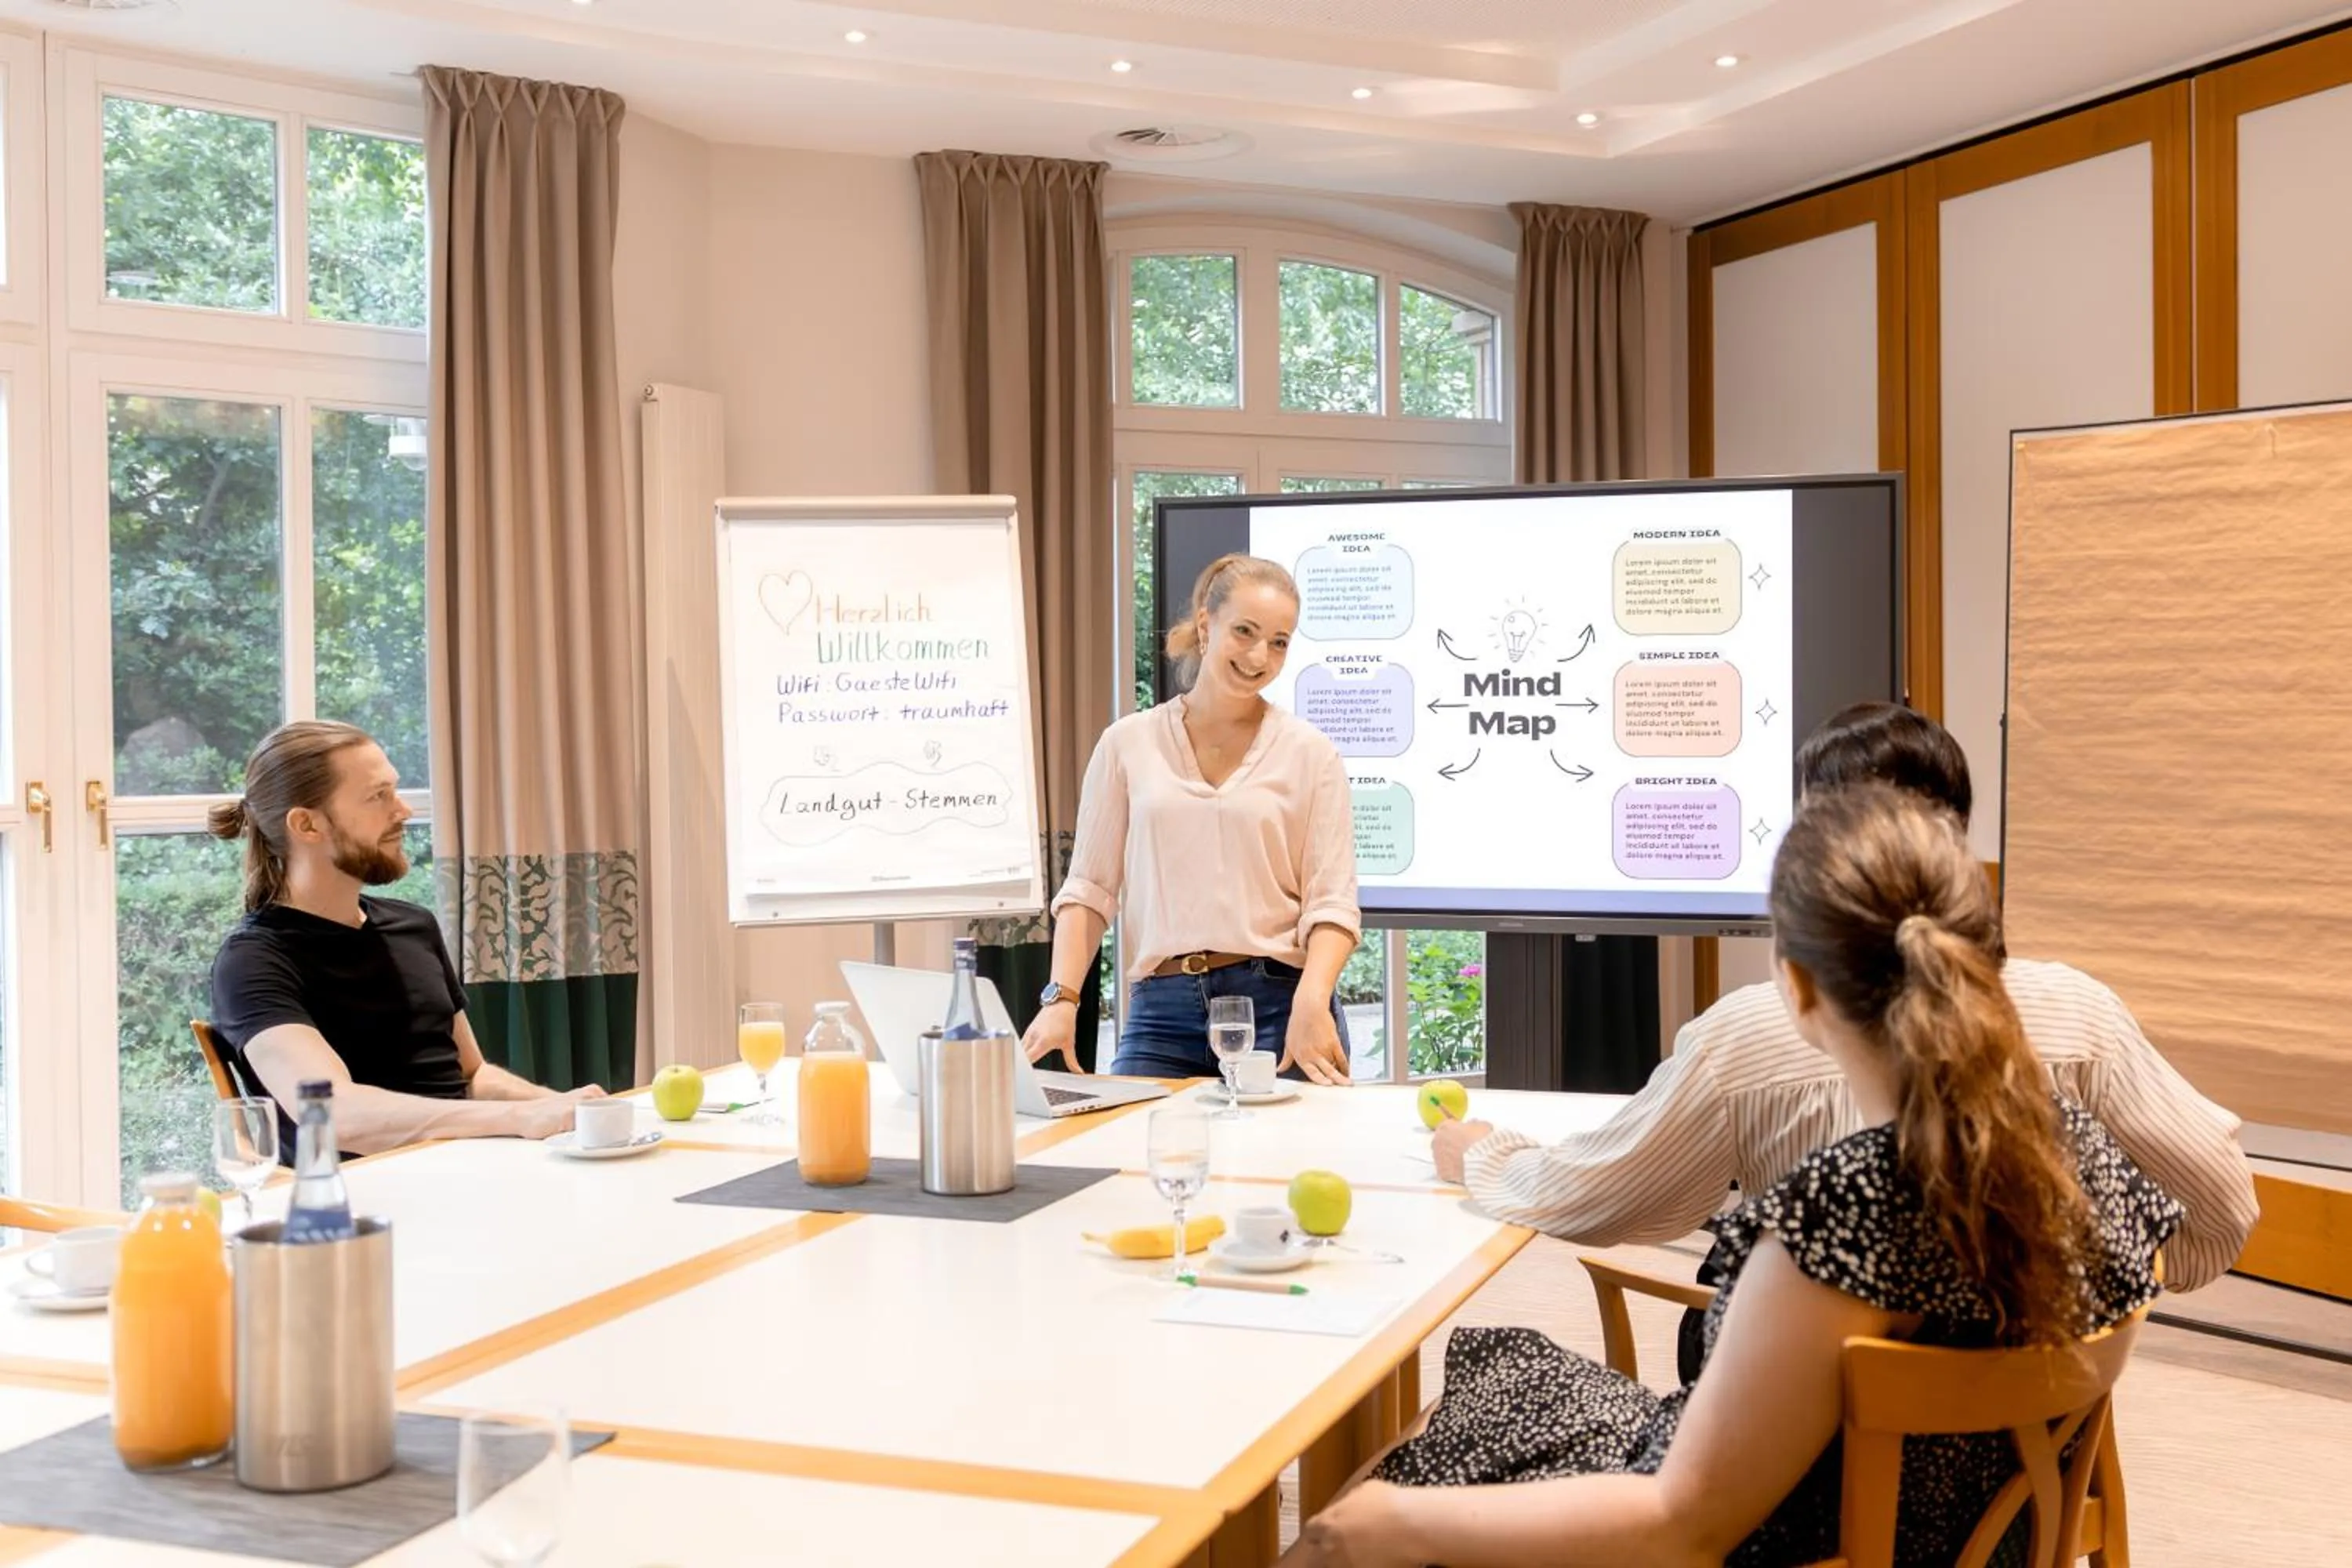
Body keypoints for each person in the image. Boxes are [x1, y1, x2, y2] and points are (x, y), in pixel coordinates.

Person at [1286, 784, 2182, 1568]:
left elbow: (1681, 1525)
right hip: (1975, 1539)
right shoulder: (2081, 1155)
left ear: (1795, 985)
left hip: (1797, 1540)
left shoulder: (1848, 1210)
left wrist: (1389, 1521)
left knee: (1379, 1502)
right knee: (1506, 1372)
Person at [1432, 702, 2256, 1312]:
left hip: (1800, 1455)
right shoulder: (2084, 1015)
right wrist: (2086, 1294)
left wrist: (1484, 1155)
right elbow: (2221, 1207)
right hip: (2022, 1465)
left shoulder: (1749, 1043)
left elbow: (1601, 1194)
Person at [1022, 554, 1361, 1085]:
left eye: (1279, 641)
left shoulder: (1311, 753)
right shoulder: (1127, 744)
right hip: (1162, 1008)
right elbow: (1089, 888)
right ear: (1207, 625)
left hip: (1280, 1004)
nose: (1259, 656)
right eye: (1244, 631)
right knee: (1136, 1156)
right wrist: (1062, 998)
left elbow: (1332, 904)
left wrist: (1312, 1004)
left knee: (1288, 1167)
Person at [209, 720, 603, 1156]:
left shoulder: (414, 926)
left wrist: (569, 1110)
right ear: (307, 824)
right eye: (379, 796)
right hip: (361, 1206)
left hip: (471, 1171)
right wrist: (520, 1120)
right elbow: (333, 1114)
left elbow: (472, 1076)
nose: (403, 811)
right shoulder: (252, 961)